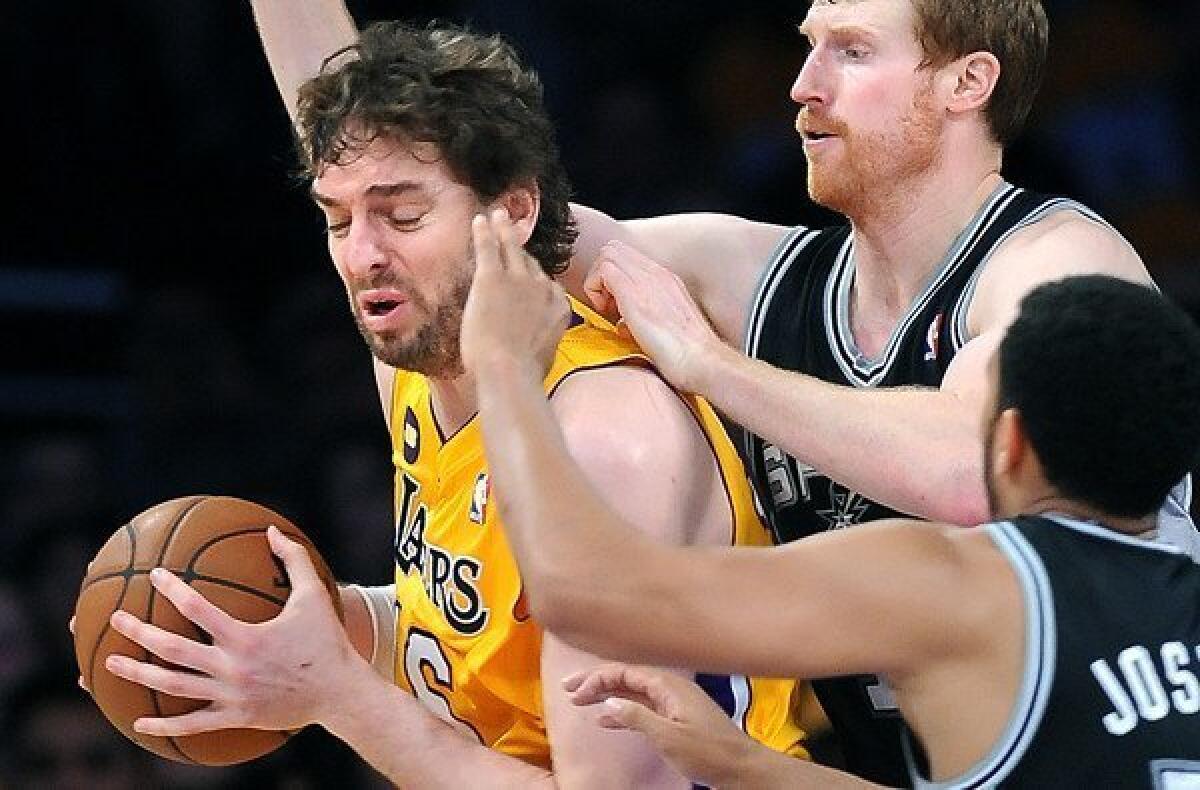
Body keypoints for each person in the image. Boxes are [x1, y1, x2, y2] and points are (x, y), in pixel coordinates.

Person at [249, 2, 1195, 781]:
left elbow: (965, 472)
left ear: (966, 83)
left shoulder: (1059, 263)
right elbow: (440, 197)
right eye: (807, 44)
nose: (802, 84)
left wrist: (711, 368)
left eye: (851, 50)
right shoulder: (757, 275)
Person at [98, 20, 804, 788]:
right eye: (338, 220)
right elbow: (468, 646)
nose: (363, 254)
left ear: (515, 213)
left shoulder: (608, 441)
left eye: (402, 217)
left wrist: (336, 694)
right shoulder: (418, 354)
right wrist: (320, 627)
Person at [456, 229, 1200, 788]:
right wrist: (747, 765)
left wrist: (503, 366)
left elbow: (589, 598)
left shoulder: (967, 585)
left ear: (1007, 444)